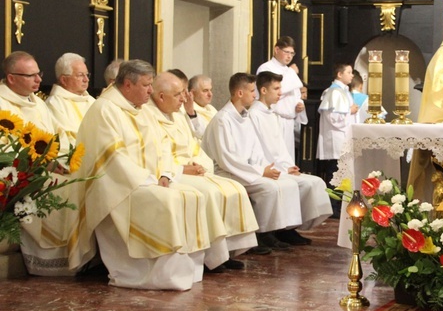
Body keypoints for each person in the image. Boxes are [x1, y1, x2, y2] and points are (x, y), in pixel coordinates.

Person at [72, 60, 221, 290]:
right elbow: (111, 157)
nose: (150, 91)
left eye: (151, 85)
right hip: (118, 187)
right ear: (128, 85)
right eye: (146, 85)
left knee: (193, 195)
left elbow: (160, 147)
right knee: (171, 199)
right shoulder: (105, 109)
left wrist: (166, 174)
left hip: (147, 180)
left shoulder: (140, 110)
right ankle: (153, 274)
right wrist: (150, 179)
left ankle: (183, 272)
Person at [143, 71, 267, 268]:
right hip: (174, 172)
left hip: (193, 169)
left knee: (233, 188)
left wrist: (200, 164)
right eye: (179, 94)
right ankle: (212, 259)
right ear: (160, 96)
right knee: (210, 192)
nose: (184, 99)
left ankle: (226, 253)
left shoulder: (177, 116)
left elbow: (194, 144)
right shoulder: (148, 118)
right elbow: (155, 155)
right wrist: (181, 169)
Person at [0, 51, 86, 276]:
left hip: (45, 168)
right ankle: (47, 262)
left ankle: (75, 258)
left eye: (39, 74)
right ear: (11, 78)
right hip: (16, 174)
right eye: (31, 76)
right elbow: (5, 150)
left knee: (79, 183)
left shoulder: (38, 103)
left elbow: (54, 139)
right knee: (64, 189)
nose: (39, 80)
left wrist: (59, 161)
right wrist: (39, 165)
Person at [202, 73, 311, 250]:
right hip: (227, 172)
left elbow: (256, 150)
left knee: (286, 184)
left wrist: (263, 168)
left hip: (246, 170)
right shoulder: (223, 119)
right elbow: (227, 158)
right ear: (239, 93)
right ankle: (259, 234)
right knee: (270, 188)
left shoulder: (244, 117)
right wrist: (260, 172)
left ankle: (275, 231)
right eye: (252, 91)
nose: (255, 95)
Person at [247, 71, 332, 244]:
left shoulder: (270, 113)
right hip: (267, 167)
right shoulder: (254, 114)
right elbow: (260, 149)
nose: (280, 93)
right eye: (276, 88)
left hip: (280, 165)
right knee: (293, 184)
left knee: (314, 182)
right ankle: (276, 230)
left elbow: (279, 147)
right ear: (263, 90)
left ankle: (290, 227)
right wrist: (280, 169)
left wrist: (288, 166)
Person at [256, 36, 306, 158]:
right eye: (286, 52)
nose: (289, 56)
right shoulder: (266, 68)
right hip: (274, 118)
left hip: (288, 121)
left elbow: (296, 92)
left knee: (287, 158)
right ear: (276, 49)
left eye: (292, 53)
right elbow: (274, 90)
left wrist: (299, 104)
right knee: (275, 156)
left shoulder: (288, 70)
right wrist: (291, 73)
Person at [318, 63, 357, 189]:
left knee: (343, 178)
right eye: (349, 72)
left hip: (344, 139)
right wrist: (349, 111)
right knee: (335, 178)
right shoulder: (333, 92)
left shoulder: (343, 91)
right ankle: (334, 207)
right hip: (336, 141)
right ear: (340, 74)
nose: (352, 75)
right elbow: (333, 118)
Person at [46, 53, 96, 144]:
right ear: (64, 80)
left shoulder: (92, 101)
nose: (86, 80)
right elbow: (64, 139)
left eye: (87, 75)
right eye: (80, 75)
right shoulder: (55, 104)